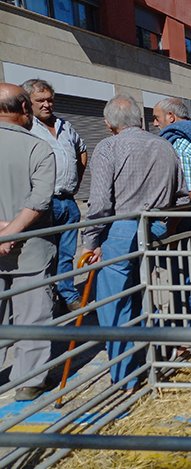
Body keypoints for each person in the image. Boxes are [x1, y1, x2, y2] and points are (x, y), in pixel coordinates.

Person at [81, 94, 186, 393]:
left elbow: (100, 203)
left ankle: (125, 377)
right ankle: (142, 362)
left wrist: (90, 241)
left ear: (109, 123)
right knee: (143, 297)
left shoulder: (108, 147)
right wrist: (166, 226)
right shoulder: (165, 146)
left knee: (115, 304)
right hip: (156, 228)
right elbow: (181, 196)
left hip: (122, 229)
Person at [0, 83, 56, 402]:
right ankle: (29, 380)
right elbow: (40, 199)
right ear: (24, 109)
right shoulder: (38, 148)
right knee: (33, 313)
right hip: (29, 250)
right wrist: (12, 233)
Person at [21, 79, 86, 312]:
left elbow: (82, 150)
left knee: (67, 253)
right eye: (41, 100)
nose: (47, 104)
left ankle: (67, 295)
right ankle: (45, 300)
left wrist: (76, 181)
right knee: (44, 254)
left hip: (68, 201)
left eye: (50, 99)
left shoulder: (65, 126)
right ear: (28, 102)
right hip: (43, 202)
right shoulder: (26, 127)